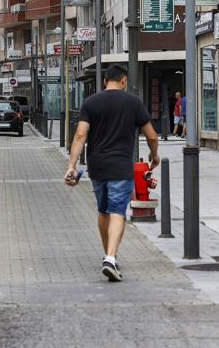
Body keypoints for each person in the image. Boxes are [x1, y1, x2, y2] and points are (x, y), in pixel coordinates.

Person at [64, 65, 160, 282]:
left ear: (105, 81)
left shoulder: (91, 103)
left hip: (97, 166)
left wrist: (71, 165)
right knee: (118, 211)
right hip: (120, 166)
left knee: (103, 210)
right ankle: (110, 256)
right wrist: (154, 156)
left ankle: (108, 254)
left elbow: (80, 136)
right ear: (124, 81)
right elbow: (152, 136)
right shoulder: (134, 103)